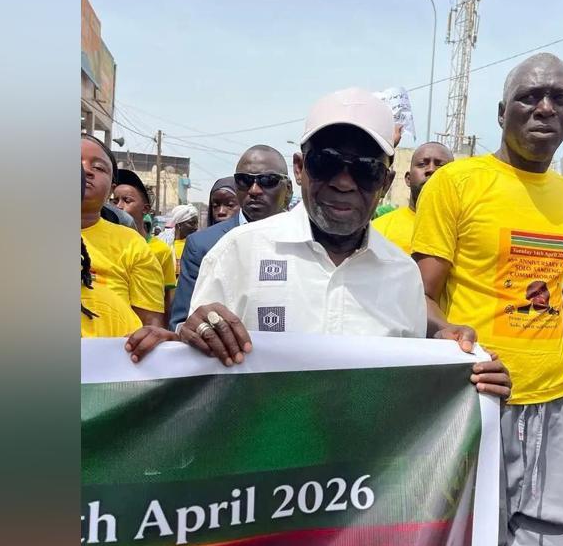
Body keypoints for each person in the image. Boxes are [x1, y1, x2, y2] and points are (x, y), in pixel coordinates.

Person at [130, 87, 509, 395]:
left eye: (365, 169)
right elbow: (196, 374)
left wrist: (467, 374)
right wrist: (185, 340)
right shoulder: (238, 253)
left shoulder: (402, 274)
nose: (343, 182)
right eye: (326, 162)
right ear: (300, 168)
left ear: (386, 182)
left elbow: (408, 396)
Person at [411, 53, 563, 546]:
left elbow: (560, 289)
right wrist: (447, 335)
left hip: (555, 404)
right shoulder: (457, 183)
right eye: (529, 96)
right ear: (501, 111)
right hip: (478, 401)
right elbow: (419, 295)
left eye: (560, 97)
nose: (545, 108)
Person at [167, 145, 292, 329]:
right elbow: (181, 323)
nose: (254, 190)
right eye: (244, 181)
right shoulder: (202, 245)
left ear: (288, 189)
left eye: (267, 180)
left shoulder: (312, 243)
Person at [81, 134, 166, 329]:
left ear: (111, 188)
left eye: (98, 168)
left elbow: (150, 326)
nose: (86, 170)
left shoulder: (132, 244)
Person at [112, 168, 178, 314]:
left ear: (145, 209)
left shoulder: (161, 251)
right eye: (115, 201)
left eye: (127, 201)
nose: (119, 206)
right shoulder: (106, 244)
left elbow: (167, 298)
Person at [371, 141, 454, 255]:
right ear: (408, 179)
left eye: (440, 166)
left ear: (455, 179)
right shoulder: (377, 230)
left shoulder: (464, 231)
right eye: (422, 164)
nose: (431, 170)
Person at [166, 204, 200, 273]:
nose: (196, 227)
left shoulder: (196, 246)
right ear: (179, 225)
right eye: (191, 223)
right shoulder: (165, 244)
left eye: (196, 223)